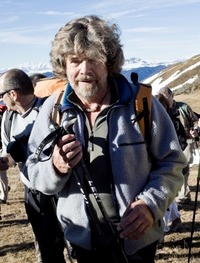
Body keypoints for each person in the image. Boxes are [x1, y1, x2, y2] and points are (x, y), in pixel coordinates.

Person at [24, 15, 186, 263]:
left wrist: (150, 204)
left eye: (94, 59)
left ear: (109, 63)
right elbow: (34, 173)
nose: (85, 70)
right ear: (63, 65)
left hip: (138, 243)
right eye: (75, 61)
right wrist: (55, 166)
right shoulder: (53, 109)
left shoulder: (142, 103)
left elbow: (173, 163)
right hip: (83, 245)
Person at [0, 69, 66, 263]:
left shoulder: (50, 111)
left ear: (13, 94)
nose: (2, 100)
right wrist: (4, 162)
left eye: (2, 95)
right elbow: (9, 155)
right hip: (32, 193)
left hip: (58, 190)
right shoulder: (8, 119)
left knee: (75, 244)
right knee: (47, 248)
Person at [157, 87, 199, 205]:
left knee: (183, 169)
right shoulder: (161, 109)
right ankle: (178, 195)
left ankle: (183, 196)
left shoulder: (183, 107)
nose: (165, 100)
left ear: (172, 95)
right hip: (170, 144)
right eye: (162, 98)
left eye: (166, 97)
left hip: (186, 142)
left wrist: (195, 130)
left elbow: (195, 120)